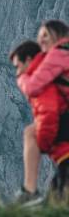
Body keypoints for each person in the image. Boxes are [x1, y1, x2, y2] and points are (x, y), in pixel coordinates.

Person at [10, 20, 69, 205]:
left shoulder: (58, 53)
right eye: (39, 36)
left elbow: (35, 89)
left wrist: (22, 78)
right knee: (56, 204)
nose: (41, 39)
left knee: (30, 134)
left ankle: (29, 191)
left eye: (45, 34)